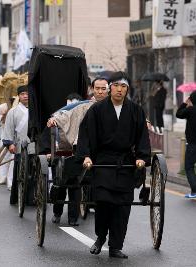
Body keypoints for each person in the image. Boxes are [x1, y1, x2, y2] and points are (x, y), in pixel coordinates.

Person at [77, 71, 151, 258]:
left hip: (126, 163)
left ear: (127, 89)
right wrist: (86, 156)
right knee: (103, 204)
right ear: (110, 88)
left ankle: (116, 246)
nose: (119, 90)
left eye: (123, 86)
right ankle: (101, 237)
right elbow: (85, 134)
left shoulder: (135, 110)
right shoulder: (97, 110)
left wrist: (141, 157)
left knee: (122, 207)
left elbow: (143, 136)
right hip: (103, 162)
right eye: (116, 86)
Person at [47, 77, 109, 226]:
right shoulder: (83, 106)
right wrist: (54, 119)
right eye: (97, 88)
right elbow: (63, 113)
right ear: (92, 90)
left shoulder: (115, 107)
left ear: (108, 90)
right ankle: (59, 212)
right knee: (70, 182)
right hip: (82, 148)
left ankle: (76, 216)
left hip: (105, 151)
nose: (100, 92)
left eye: (103, 89)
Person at [3, 86, 35, 205]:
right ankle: (18, 198)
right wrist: (10, 144)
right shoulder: (13, 112)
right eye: (22, 94)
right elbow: (8, 129)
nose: (25, 96)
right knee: (19, 173)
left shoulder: (36, 110)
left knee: (34, 171)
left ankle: (33, 198)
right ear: (18, 96)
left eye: (27, 93)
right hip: (19, 145)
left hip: (33, 144)